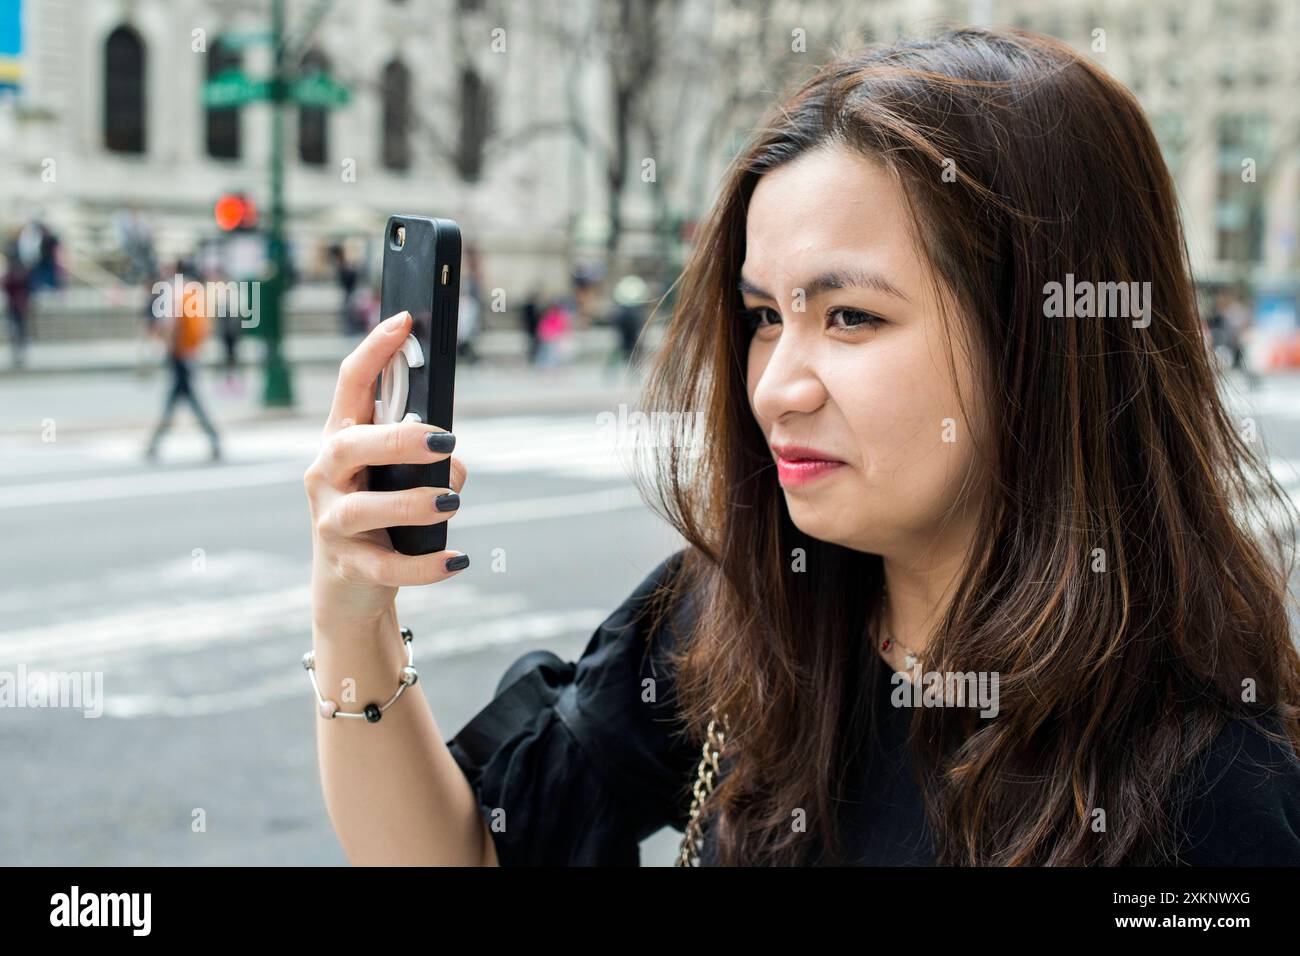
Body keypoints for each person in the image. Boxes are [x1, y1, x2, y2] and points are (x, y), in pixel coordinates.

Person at [303, 28, 1300, 866]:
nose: (777, 385)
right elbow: (467, 849)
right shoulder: (736, 615)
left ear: (1042, 342)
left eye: (852, 316)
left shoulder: (1210, 796)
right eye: (764, 317)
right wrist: (353, 611)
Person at [145, 260, 222, 462]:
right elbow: (205, 323)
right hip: (190, 351)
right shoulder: (194, 289)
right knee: (182, 398)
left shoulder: (173, 289)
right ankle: (155, 442)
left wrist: (166, 346)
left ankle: (156, 442)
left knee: (184, 399)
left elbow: (170, 322)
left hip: (178, 353)